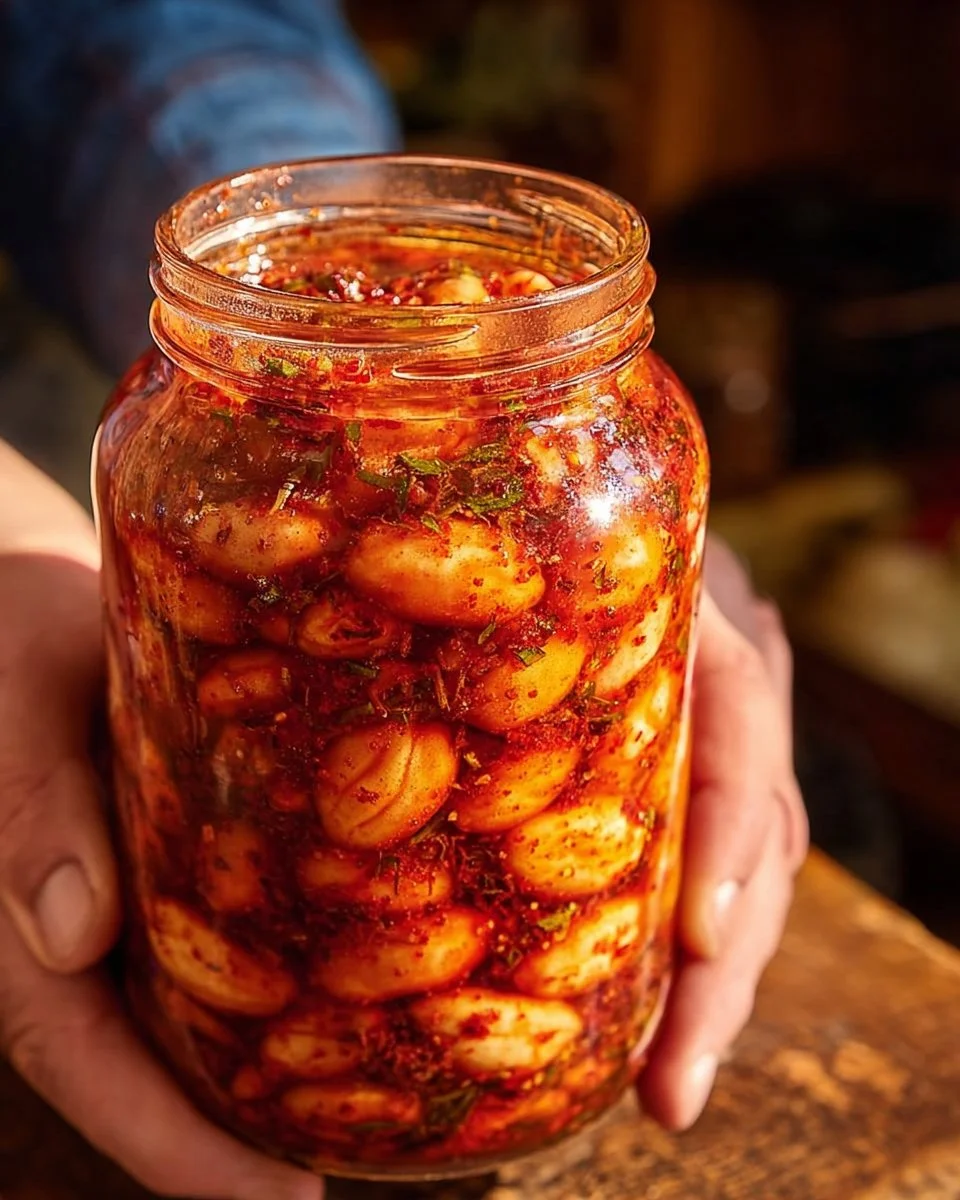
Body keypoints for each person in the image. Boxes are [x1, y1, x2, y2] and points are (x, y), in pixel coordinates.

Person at [0, 4, 808, 1199]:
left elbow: (135, 24)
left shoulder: (624, 448)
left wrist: (327, 266)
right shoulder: (169, 445)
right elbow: (228, 302)